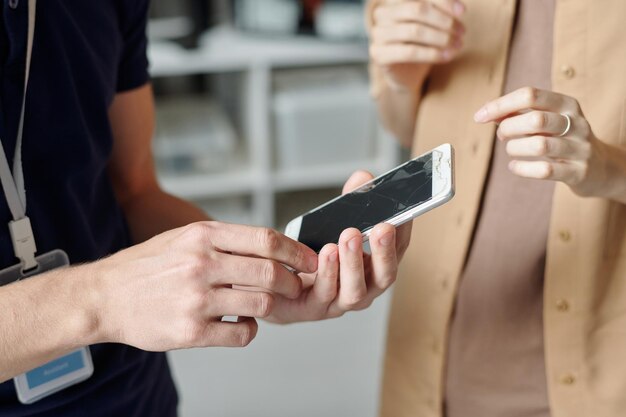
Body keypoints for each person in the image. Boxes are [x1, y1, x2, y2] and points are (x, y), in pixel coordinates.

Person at [0, 0, 412, 415]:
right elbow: (109, 292)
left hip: (135, 393)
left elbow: (135, 190)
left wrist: (263, 276)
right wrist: (101, 299)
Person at [368, 0, 626, 416]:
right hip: (429, 370)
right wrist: (401, 81)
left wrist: (609, 169)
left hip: (593, 380)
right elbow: (405, 122)